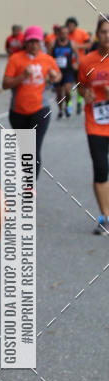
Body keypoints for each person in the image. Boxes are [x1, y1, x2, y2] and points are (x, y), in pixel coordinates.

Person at [2, 25, 61, 179]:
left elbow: (57, 75)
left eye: (37, 41)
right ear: (25, 42)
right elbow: (5, 84)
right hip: (18, 112)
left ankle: (29, 187)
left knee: (33, 149)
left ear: (41, 42)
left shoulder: (47, 59)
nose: (34, 45)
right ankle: (25, 180)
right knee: (24, 150)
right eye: (30, 41)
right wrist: (22, 76)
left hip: (40, 110)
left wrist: (55, 76)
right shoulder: (16, 59)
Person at [78, 15, 109, 234]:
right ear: (97, 35)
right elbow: (81, 86)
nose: (107, 36)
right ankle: (105, 216)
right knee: (100, 168)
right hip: (96, 122)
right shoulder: (87, 61)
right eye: (104, 32)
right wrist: (85, 93)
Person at [51, 25, 79, 118]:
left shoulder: (72, 43)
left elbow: (77, 54)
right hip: (57, 71)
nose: (65, 35)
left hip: (68, 71)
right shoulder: (53, 43)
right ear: (58, 33)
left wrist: (76, 64)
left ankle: (67, 106)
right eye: (63, 33)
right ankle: (60, 110)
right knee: (59, 94)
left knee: (67, 91)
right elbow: (47, 57)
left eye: (67, 33)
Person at [65, 17, 91, 114]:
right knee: (69, 86)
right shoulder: (65, 34)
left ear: (75, 25)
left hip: (80, 63)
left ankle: (79, 102)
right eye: (69, 25)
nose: (70, 27)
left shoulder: (82, 33)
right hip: (68, 64)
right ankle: (69, 104)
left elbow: (89, 45)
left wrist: (77, 46)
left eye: (72, 25)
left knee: (80, 83)